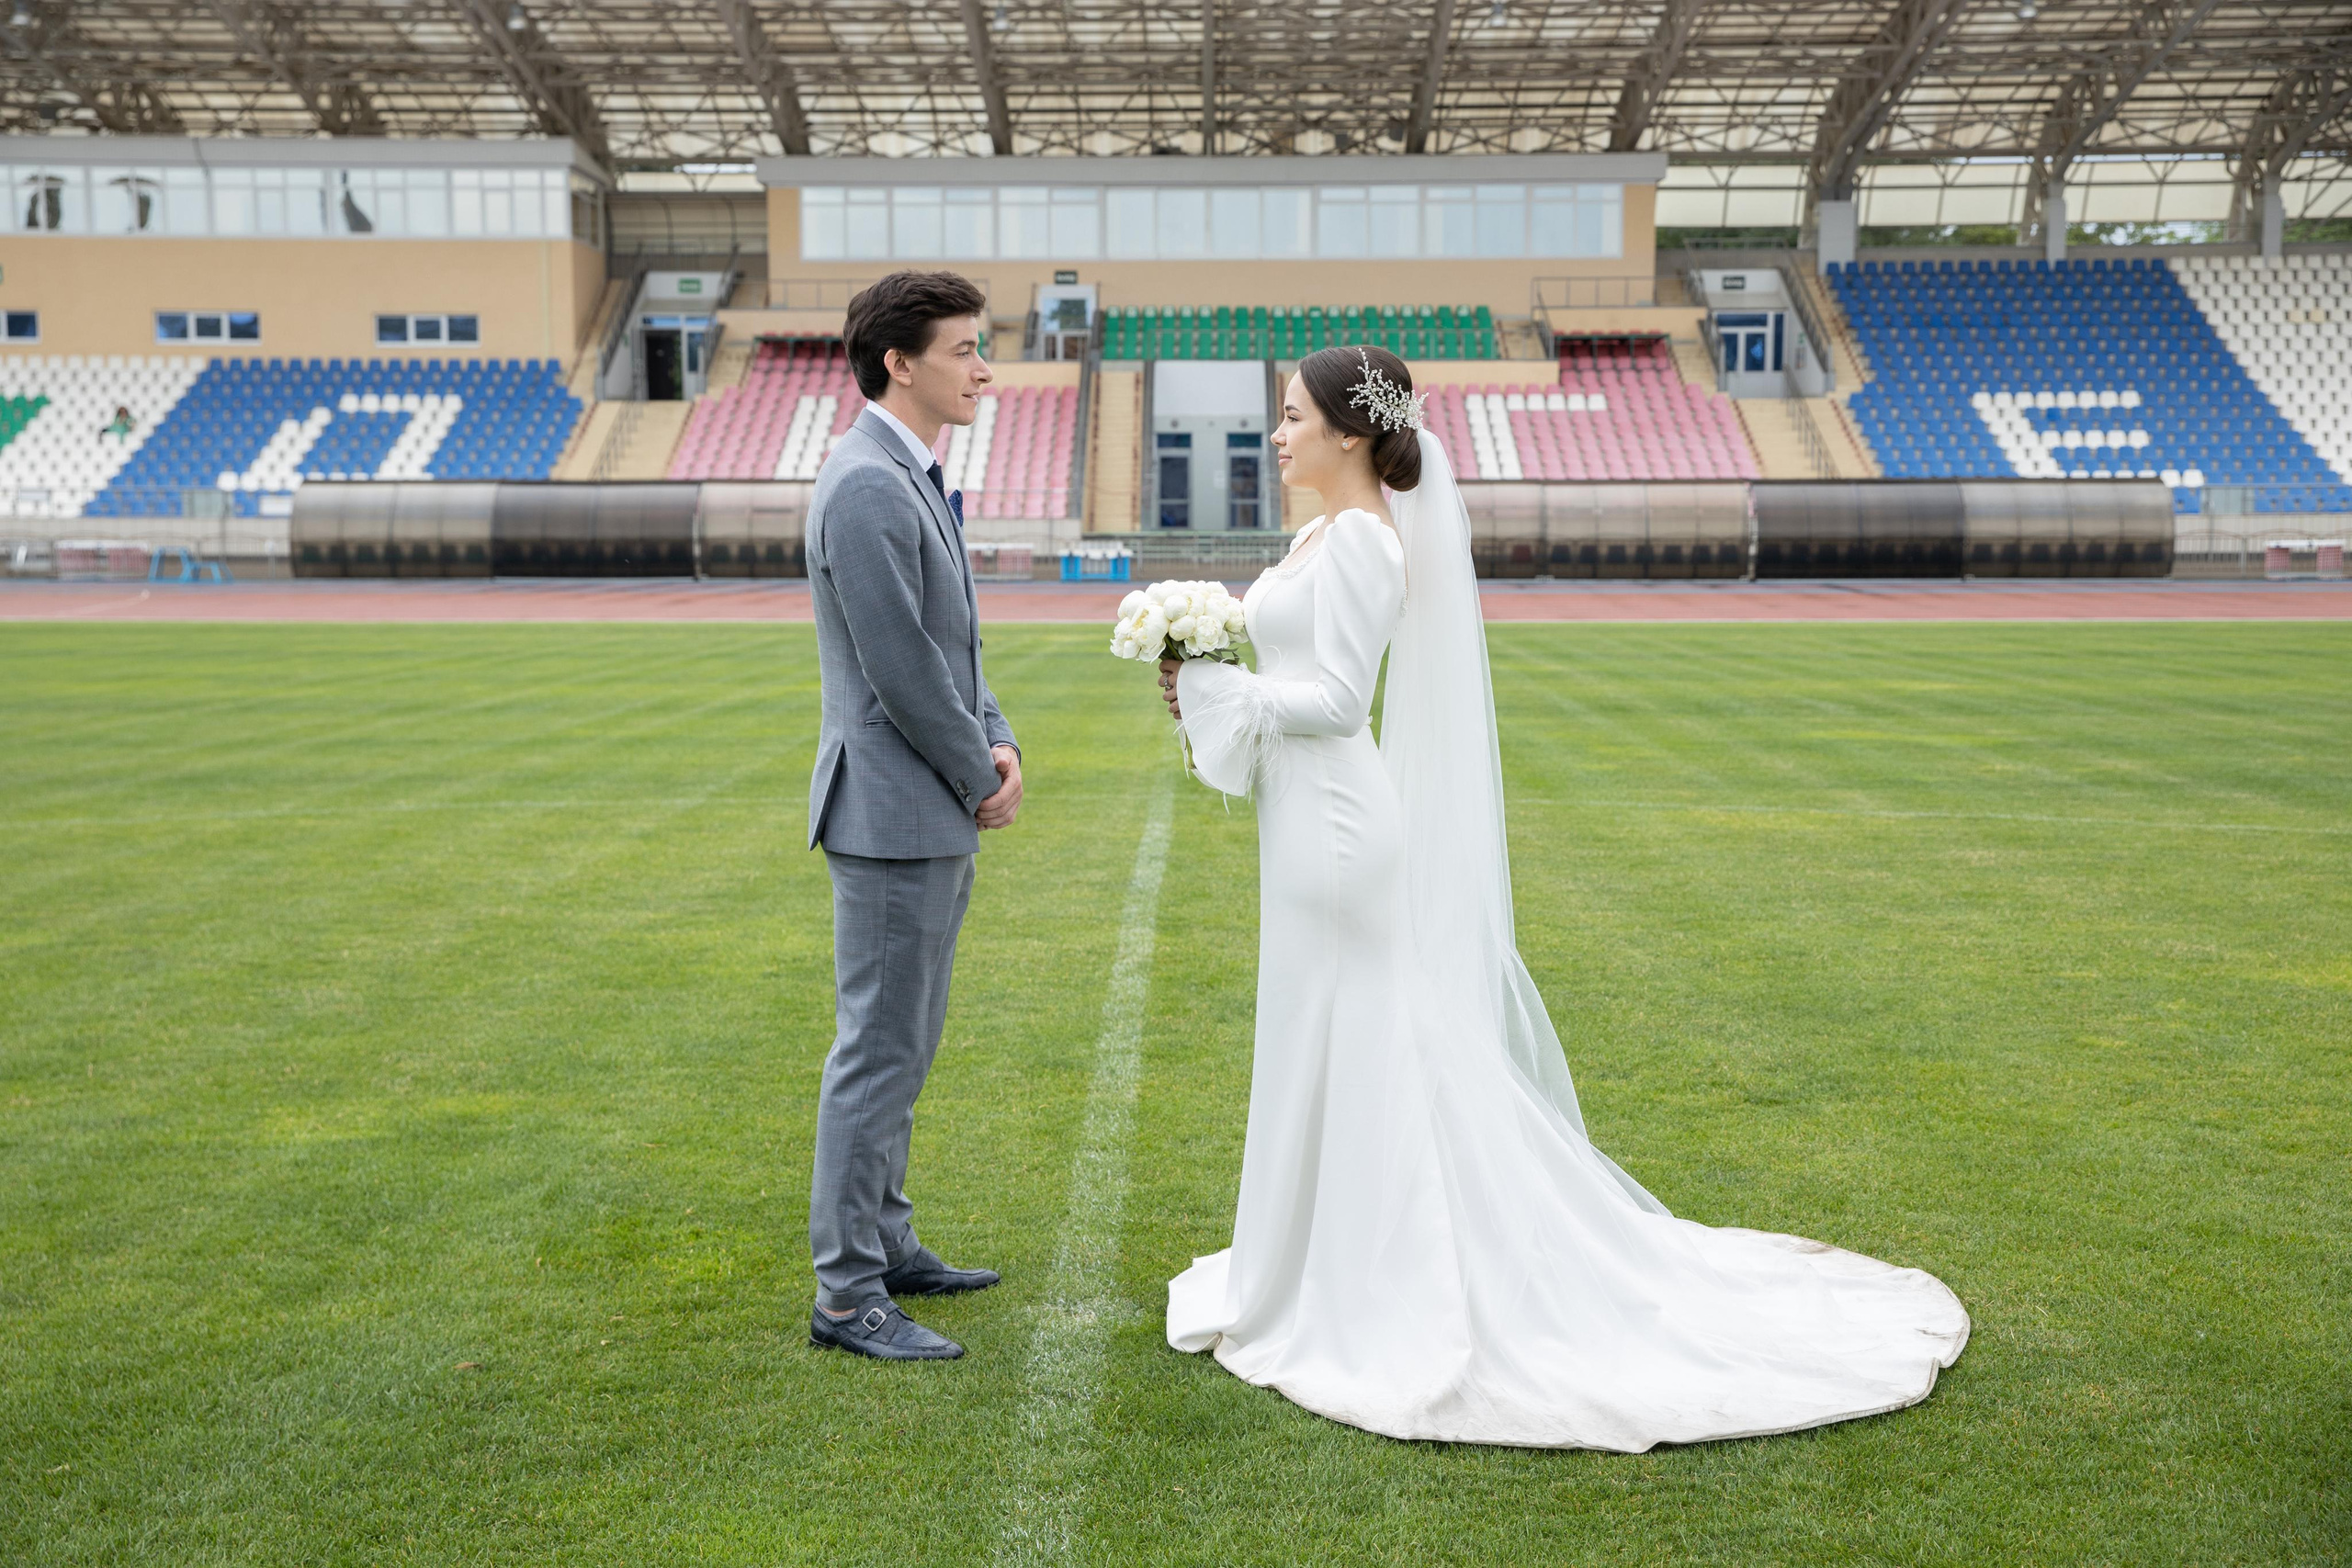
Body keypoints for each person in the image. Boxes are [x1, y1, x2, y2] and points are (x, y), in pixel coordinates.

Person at [1157, 345, 1968, 1449]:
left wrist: (1221, 685)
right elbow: (1291, 667)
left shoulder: (1359, 542)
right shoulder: (1316, 536)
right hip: (1304, 823)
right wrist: (1201, 653)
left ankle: (1385, 1279)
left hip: (1339, 826)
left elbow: (1341, 700)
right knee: (1326, 1029)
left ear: (1350, 433)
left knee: (1368, 1030)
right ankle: (1318, 1260)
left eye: (1293, 417)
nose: (1279, 434)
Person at [803, 270, 1023, 1362]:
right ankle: (847, 1296)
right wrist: (978, 771)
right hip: (892, 812)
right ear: (901, 360)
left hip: (921, 805)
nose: (983, 369)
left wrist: (1001, 736)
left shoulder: (909, 471)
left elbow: (953, 647)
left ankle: (885, 1242)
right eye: (965, 349)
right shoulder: (868, 485)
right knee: (878, 1052)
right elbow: (898, 667)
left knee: (906, 1044)